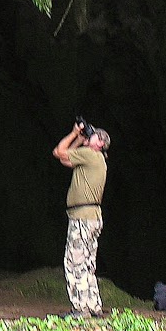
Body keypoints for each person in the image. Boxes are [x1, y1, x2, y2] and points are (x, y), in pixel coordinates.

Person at [53, 120, 111, 318]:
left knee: (74, 262)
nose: (89, 136)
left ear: (100, 143)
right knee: (87, 263)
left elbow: (58, 152)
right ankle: (93, 305)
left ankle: (80, 308)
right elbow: (65, 159)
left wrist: (73, 134)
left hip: (82, 218)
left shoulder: (90, 154)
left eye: (93, 135)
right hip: (93, 218)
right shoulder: (96, 160)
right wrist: (80, 139)